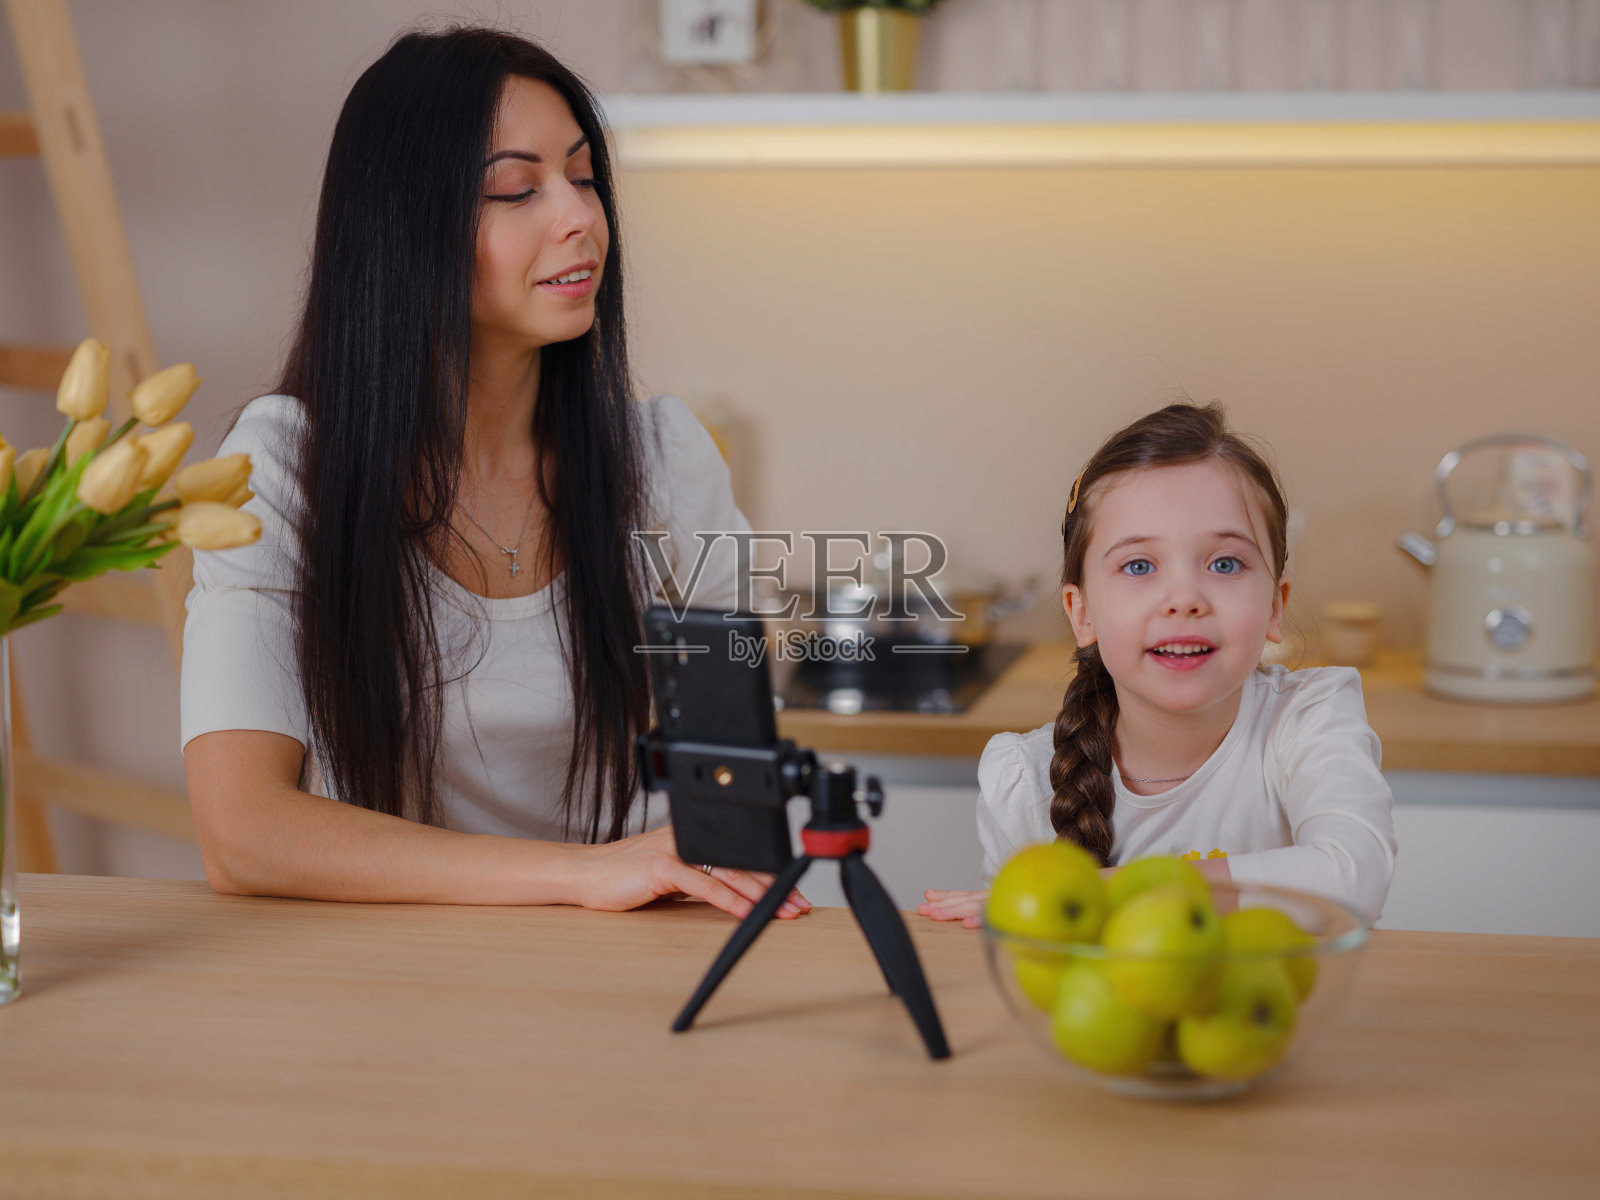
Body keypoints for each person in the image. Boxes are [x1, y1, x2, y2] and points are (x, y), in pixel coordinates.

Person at [181, 26, 808, 921]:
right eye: (516, 188)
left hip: (629, 961)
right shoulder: (284, 469)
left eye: (584, 176)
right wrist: (580, 875)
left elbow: (730, 793)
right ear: (404, 228)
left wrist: (671, 864)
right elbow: (243, 831)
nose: (580, 216)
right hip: (377, 979)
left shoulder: (666, 463)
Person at [918, 402, 1396, 926]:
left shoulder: (1310, 719)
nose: (1184, 597)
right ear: (1082, 615)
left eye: (1225, 563)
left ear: (1275, 608)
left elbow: (1354, 877)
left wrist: (1110, 889)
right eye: (1139, 565)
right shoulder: (1024, 783)